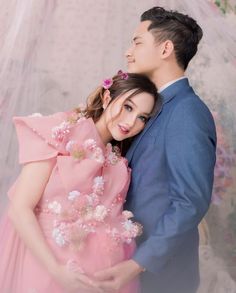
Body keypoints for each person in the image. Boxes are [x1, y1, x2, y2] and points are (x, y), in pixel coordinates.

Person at [0, 71, 159, 293]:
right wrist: (56, 270)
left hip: (98, 278)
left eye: (142, 117)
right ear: (106, 98)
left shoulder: (118, 162)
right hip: (46, 266)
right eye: (128, 107)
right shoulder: (61, 132)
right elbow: (20, 208)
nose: (131, 121)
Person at [94, 7, 217, 293]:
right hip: (122, 260)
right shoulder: (148, 107)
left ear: (165, 49)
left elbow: (190, 202)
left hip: (162, 277)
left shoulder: (187, 112)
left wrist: (138, 262)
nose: (128, 52)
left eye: (137, 42)